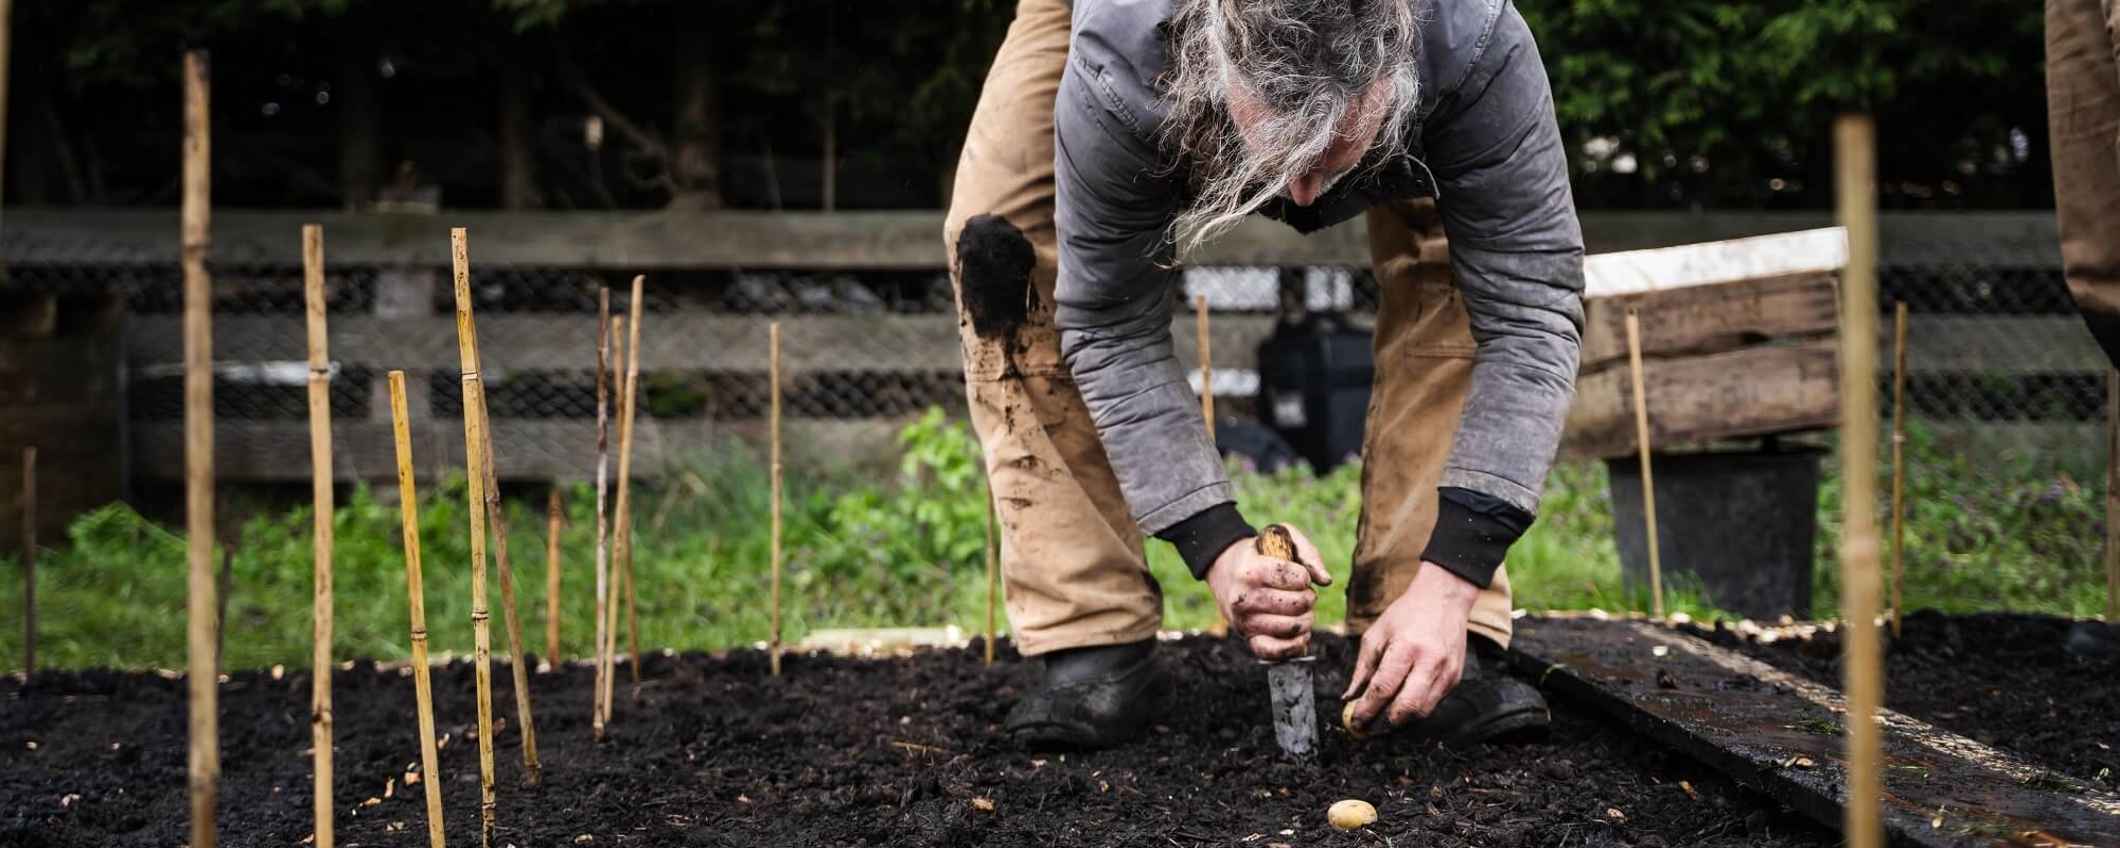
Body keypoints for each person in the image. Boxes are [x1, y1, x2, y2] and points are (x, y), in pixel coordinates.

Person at [943, 0, 1583, 748]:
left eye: (1329, 157)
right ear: (1211, 60)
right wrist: (1216, 547)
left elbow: (1531, 308)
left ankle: (1430, 626)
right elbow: (1110, 321)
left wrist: (1453, 581)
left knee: (1459, 270)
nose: (1303, 199)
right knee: (1007, 248)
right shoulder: (1126, 61)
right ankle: (1092, 637)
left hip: (1431, 59)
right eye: (1282, 156)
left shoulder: (1470, 40)